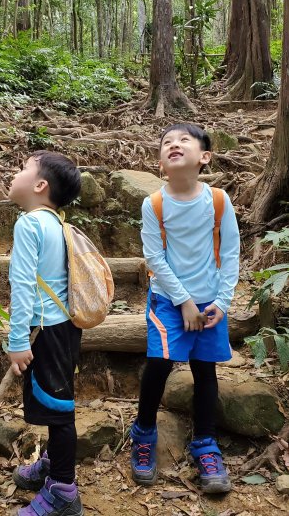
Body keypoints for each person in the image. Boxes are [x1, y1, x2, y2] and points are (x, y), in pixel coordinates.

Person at [130, 123, 240, 494]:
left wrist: (222, 302)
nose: (173, 146)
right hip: (167, 302)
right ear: (161, 163)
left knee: (204, 371)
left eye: (183, 141)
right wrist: (185, 302)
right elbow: (154, 259)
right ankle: (144, 433)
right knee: (160, 363)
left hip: (210, 302)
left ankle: (205, 444)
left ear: (204, 157)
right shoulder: (154, 204)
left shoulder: (220, 201)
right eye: (166, 143)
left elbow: (230, 254)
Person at [7, 150, 84, 516]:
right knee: (60, 404)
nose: (15, 172)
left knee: (59, 412)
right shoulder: (58, 222)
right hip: (65, 329)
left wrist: (18, 340)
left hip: (44, 332)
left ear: (39, 185)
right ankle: (53, 465)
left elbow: (22, 285)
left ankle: (64, 492)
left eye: (23, 168)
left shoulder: (30, 224)